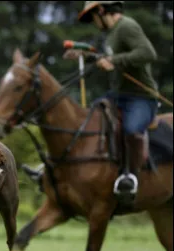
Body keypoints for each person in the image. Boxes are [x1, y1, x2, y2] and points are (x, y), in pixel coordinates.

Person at [65, 1, 158, 202]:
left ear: (101, 10)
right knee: (88, 119)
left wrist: (114, 61)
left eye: (92, 17)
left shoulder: (127, 26)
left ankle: (130, 176)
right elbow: (109, 57)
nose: (93, 23)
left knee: (132, 130)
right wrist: (87, 56)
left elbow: (148, 53)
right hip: (117, 95)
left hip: (141, 97)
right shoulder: (112, 32)